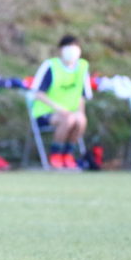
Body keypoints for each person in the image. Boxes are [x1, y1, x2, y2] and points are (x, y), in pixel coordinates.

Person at [30, 34, 91, 170]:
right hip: (46, 112)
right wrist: (59, 109)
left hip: (71, 112)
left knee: (80, 120)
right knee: (68, 120)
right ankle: (55, 154)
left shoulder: (82, 67)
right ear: (61, 50)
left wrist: (80, 113)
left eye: (75, 47)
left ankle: (68, 154)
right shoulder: (51, 66)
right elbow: (37, 93)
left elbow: (81, 96)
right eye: (68, 47)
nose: (72, 50)